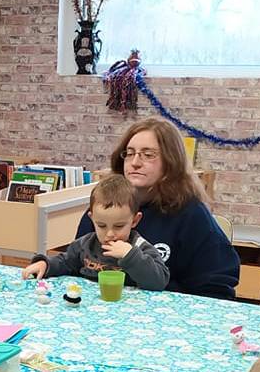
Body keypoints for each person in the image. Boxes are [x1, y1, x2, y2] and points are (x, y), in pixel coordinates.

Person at [77, 118, 238, 298]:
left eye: (148, 155)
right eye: (129, 153)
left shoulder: (191, 214)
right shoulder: (106, 206)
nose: (135, 162)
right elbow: (76, 263)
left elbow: (216, 287)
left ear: (170, 162)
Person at [21, 174, 169, 290]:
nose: (109, 234)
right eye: (102, 225)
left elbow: (159, 282)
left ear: (135, 221)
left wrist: (130, 256)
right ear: (92, 219)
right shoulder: (86, 244)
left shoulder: (140, 247)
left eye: (118, 226)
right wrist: (45, 265)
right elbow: (65, 262)